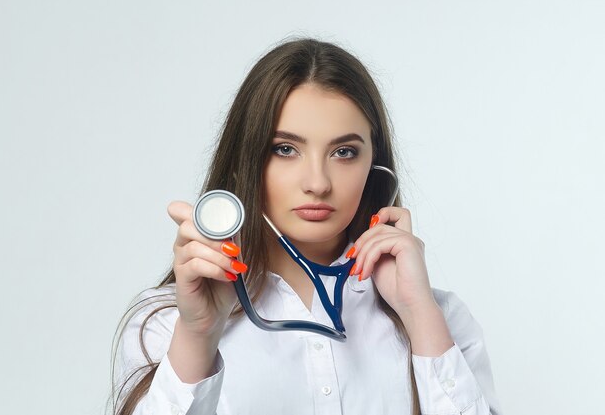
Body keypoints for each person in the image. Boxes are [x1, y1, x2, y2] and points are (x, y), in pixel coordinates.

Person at [109, 37, 502, 415]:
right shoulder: (164, 322)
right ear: (245, 161)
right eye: (285, 149)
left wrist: (419, 315)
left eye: (344, 152)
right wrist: (198, 337)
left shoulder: (441, 318)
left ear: (374, 165)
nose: (317, 182)